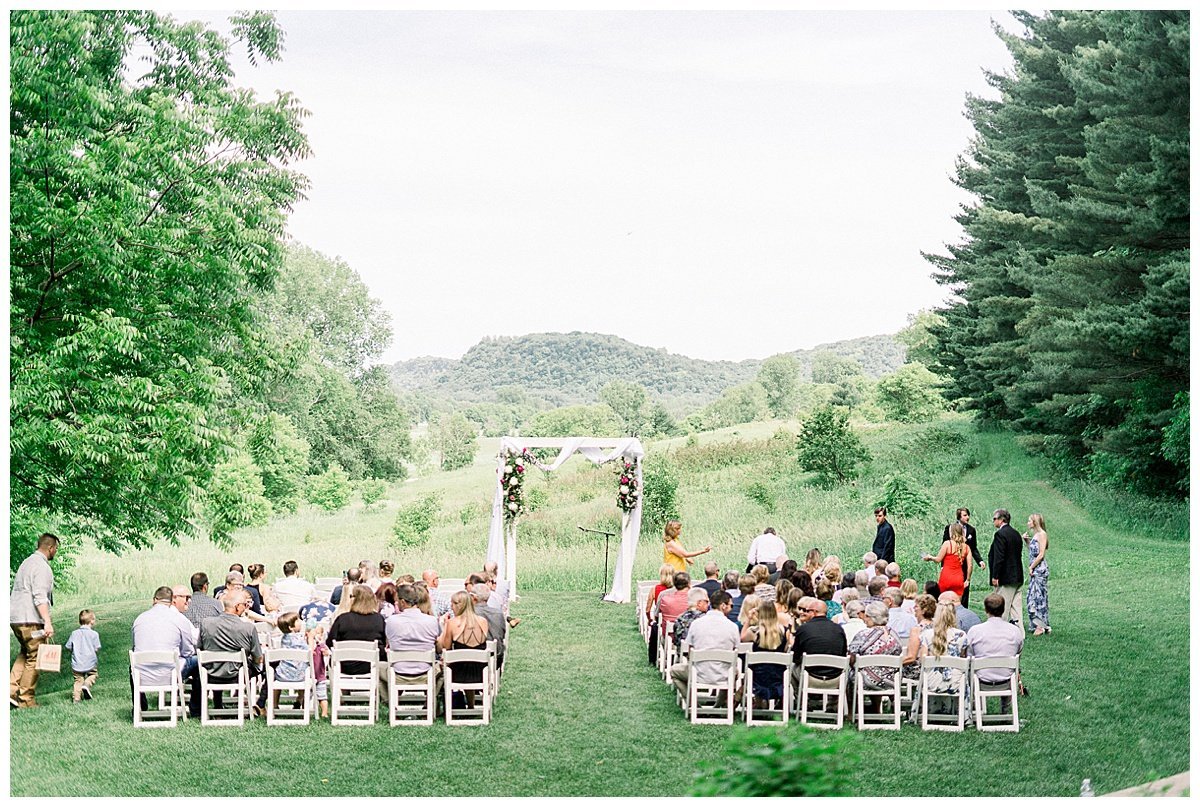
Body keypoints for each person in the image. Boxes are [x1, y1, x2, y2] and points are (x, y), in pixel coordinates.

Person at [132, 585, 201, 716]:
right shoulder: (180, 619)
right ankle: (196, 708)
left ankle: (140, 706)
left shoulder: (139, 619)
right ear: (171, 602)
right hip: (171, 673)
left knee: (132, 666)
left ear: (154, 600)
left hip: (142, 675)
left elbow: (135, 646)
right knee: (199, 663)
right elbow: (187, 651)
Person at [10, 532, 60, 708]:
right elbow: (40, 596)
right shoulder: (41, 567)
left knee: (26, 652)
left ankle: (10, 692)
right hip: (30, 618)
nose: (55, 553)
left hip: (16, 618)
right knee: (36, 656)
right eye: (56, 549)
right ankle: (26, 699)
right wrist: (47, 621)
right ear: (51, 548)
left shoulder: (26, 563)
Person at [199, 589, 265, 715]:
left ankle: (218, 706)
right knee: (256, 666)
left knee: (217, 662)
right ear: (237, 607)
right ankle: (255, 703)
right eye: (245, 605)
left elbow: (200, 648)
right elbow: (258, 656)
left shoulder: (206, 623)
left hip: (211, 673)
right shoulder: (248, 628)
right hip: (237, 675)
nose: (246, 608)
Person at [669, 590, 740, 701]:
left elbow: (689, 650)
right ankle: (719, 705)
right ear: (723, 606)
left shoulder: (696, 624)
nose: (732, 608)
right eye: (731, 605)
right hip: (724, 675)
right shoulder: (732, 627)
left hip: (698, 673)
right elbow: (736, 650)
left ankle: (692, 702)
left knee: (674, 670)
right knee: (735, 672)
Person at [382, 583, 442, 692]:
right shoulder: (431, 621)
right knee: (444, 670)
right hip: (426, 672)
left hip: (397, 672)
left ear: (403, 602)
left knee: (377, 668)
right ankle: (431, 701)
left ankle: (389, 702)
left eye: (397, 600)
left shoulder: (391, 621)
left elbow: (389, 642)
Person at [966, 594, 1026, 702]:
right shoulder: (1015, 631)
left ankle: (974, 705)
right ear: (1003, 610)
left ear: (986, 610)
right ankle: (1006, 708)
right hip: (1007, 680)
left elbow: (969, 655)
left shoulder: (975, 631)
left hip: (981, 679)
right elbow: (1018, 651)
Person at [438, 590, 489, 709]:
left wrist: (445, 629)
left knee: (441, 666)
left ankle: (444, 703)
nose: (451, 606)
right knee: (468, 663)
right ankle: (471, 705)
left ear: (459, 605)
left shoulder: (452, 623)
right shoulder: (483, 621)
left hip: (458, 673)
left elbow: (446, 648)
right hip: (480, 670)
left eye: (453, 603)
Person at [327, 585, 387, 677]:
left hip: (344, 665)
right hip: (371, 665)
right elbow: (383, 641)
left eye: (351, 596)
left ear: (355, 599)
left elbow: (330, 643)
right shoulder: (379, 619)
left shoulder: (343, 619)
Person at [847, 602, 902, 697]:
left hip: (867, 681)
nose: (864, 619)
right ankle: (876, 708)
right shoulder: (894, 635)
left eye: (867, 616)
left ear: (872, 618)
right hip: (892, 681)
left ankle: (852, 710)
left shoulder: (863, 635)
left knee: (851, 672)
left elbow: (851, 658)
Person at [917, 603, 969, 702]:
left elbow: (922, 660)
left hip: (932, 682)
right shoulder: (961, 635)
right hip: (955, 682)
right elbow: (963, 656)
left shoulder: (927, 634)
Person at [988, 509, 1025, 633]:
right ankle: (1020, 632)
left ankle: (999, 631)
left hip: (1006, 577)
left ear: (1001, 520)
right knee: (1016, 607)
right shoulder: (1016, 533)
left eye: (995, 519)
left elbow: (999, 557)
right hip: (1018, 575)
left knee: (1002, 605)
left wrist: (995, 575)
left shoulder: (1000, 535)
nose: (993, 521)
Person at [746, 597, 789, 706]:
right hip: (778, 676)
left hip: (757, 677)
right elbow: (786, 649)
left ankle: (757, 701)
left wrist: (748, 619)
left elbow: (742, 638)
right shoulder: (784, 631)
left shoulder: (754, 632)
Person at [943, 508, 984, 607]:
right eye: (965, 515)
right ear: (959, 516)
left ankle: (964, 609)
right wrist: (942, 565)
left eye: (968, 515)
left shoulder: (971, 530)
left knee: (964, 589)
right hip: (952, 564)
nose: (968, 517)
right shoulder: (950, 528)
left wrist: (980, 561)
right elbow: (944, 547)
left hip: (965, 565)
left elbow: (973, 548)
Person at [272, 612, 311, 710]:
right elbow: (308, 651)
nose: (300, 622)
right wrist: (310, 638)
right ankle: (301, 701)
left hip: (283, 675)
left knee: (276, 683)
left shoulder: (284, 638)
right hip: (300, 676)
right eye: (297, 620)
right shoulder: (299, 639)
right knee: (305, 672)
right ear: (290, 627)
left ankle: (275, 704)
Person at [923, 521, 970, 597]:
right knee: (957, 603)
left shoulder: (947, 544)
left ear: (951, 532)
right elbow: (970, 565)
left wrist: (930, 557)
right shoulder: (966, 547)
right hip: (958, 578)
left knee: (943, 600)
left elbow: (938, 559)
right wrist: (967, 579)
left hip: (946, 576)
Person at [900, 593, 938, 684]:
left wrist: (893, 663)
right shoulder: (938, 627)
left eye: (916, 606)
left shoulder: (917, 630)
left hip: (920, 670)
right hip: (936, 667)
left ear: (924, 610)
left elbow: (911, 657)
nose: (914, 609)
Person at [1023, 513, 1051, 635]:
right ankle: (1038, 624)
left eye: (1029, 521)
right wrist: (1026, 542)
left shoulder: (1042, 535)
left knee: (1039, 597)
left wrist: (1031, 567)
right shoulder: (1035, 535)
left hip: (1040, 570)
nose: (1028, 523)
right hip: (1035, 570)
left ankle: (1041, 626)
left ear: (1035, 522)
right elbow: (1033, 552)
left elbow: (1041, 554)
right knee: (1031, 596)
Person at [65, 610, 101, 703]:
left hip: (77, 662)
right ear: (92, 621)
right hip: (90, 662)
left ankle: (76, 699)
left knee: (78, 680)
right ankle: (87, 685)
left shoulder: (74, 633)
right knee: (93, 675)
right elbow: (97, 648)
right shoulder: (94, 634)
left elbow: (68, 646)